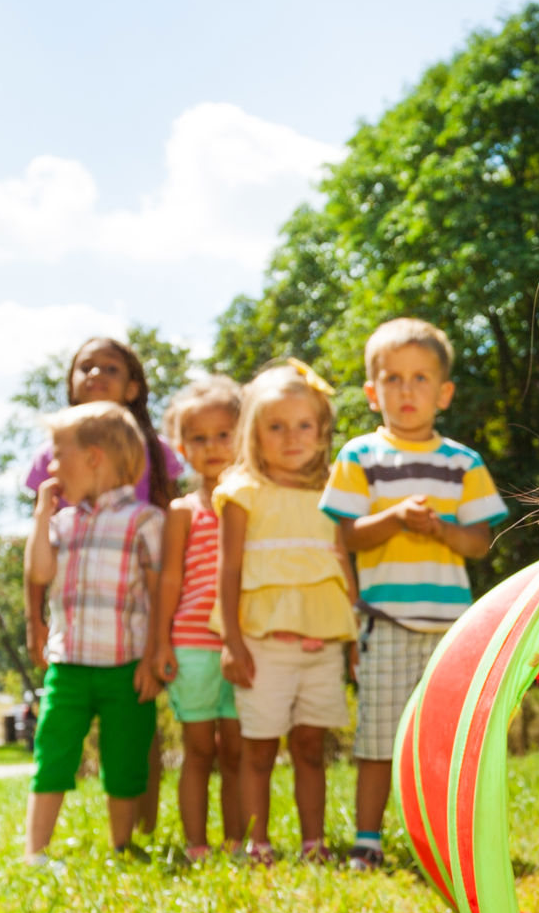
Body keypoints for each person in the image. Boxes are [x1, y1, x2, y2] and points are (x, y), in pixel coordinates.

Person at [321, 317, 507, 870]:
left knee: (446, 741)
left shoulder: (463, 462)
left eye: (421, 378)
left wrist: (440, 530)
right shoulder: (360, 457)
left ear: (443, 392)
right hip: (386, 617)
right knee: (378, 734)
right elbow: (347, 535)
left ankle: (449, 841)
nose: (407, 391)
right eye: (394, 379)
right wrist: (397, 517)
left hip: (452, 627)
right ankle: (368, 839)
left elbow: (478, 542)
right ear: (373, 392)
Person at [24, 334, 181, 831]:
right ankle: (46, 840)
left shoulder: (156, 455)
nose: (95, 375)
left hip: (131, 632)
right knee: (59, 740)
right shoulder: (56, 468)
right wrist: (35, 620)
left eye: (109, 368)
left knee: (134, 738)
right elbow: (38, 562)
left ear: (133, 386)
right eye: (84, 367)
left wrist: (160, 640)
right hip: (74, 635)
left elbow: (164, 552)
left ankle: (141, 829)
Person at [215, 361, 357, 865]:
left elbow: (343, 565)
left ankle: (313, 843)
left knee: (311, 748)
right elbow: (228, 570)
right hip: (261, 646)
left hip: (323, 644)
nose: (292, 437)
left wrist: (354, 639)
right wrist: (232, 641)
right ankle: (258, 842)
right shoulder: (241, 492)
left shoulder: (334, 492)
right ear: (255, 432)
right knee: (258, 749)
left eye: (303, 425)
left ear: (321, 431)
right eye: (276, 426)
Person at [153, 376, 246, 860]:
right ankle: (196, 844)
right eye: (199, 438)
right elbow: (169, 580)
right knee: (199, 750)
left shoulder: (254, 505)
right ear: (182, 446)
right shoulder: (182, 511)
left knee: (236, 751)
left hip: (243, 646)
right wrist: (161, 644)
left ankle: (238, 842)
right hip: (192, 646)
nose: (212, 447)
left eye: (223, 434)